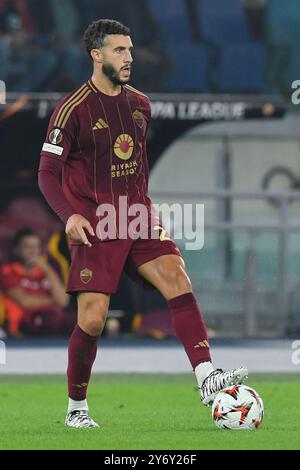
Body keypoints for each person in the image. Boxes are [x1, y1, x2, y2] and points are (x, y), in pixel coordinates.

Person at [38, 19, 248, 429]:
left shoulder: (140, 104)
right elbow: (47, 173)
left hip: (136, 218)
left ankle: (207, 377)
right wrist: (71, 215)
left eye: (130, 50)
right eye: (119, 50)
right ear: (96, 54)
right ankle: (76, 408)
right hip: (96, 224)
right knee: (94, 318)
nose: (129, 57)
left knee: (176, 276)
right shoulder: (72, 108)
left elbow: (134, 166)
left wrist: (143, 212)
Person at [0, 228, 69, 336]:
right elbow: (25, 301)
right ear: (16, 249)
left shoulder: (47, 271)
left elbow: (64, 301)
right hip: (23, 327)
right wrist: (54, 301)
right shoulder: (8, 271)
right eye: (27, 247)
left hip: (52, 323)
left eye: (36, 247)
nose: (33, 251)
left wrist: (47, 270)